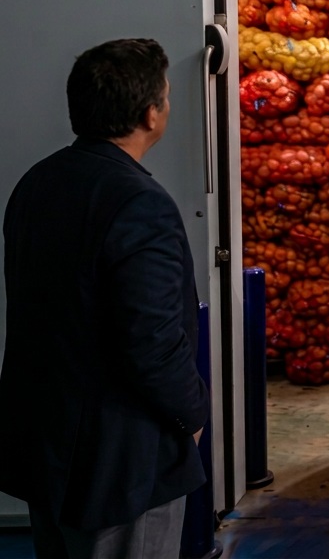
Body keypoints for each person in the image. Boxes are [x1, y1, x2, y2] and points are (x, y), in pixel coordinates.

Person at [0, 38, 209, 559]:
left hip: (48, 444)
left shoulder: (37, 182)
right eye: (166, 96)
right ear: (150, 115)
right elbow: (152, 341)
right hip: (120, 462)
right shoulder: (139, 202)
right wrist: (192, 415)